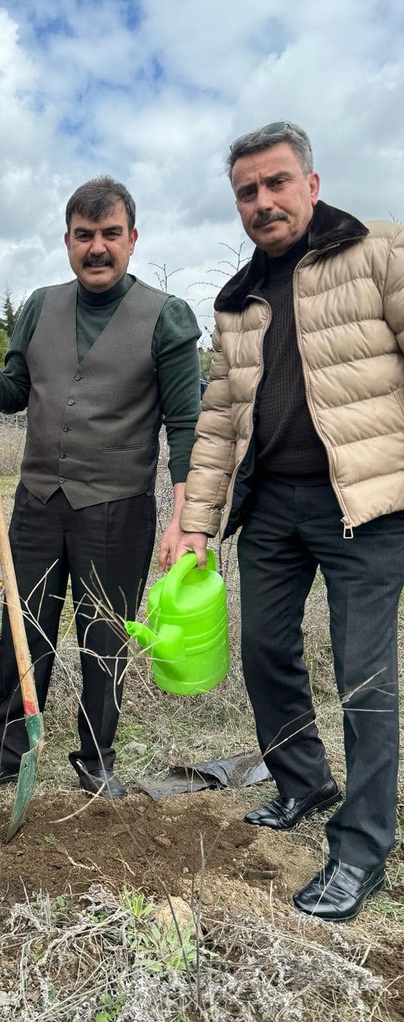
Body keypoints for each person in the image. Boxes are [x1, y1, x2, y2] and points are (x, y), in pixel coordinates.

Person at [177, 121, 404, 922]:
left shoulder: (377, 251)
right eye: (248, 190)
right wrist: (198, 522)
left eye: (277, 183)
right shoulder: (236, 301)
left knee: (364, 675)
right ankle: (303, 779)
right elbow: (216, 421)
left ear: (311, 183)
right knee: (265, 650)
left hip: (365, 507)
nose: (263, 201)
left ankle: (363, 847)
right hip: (272, 505)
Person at [0, 176, 201, 798]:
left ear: (132, 239)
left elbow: (186, 421)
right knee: (21, 625)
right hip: (37, 502)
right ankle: (10, 749)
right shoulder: (39, 306)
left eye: (110, 235)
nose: (97, 248)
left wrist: (184, 511)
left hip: (117, 508)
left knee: (104, 639)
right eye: (84, 235)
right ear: (67, 241)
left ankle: (95, 759)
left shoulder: (165, 317)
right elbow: (12, 392)